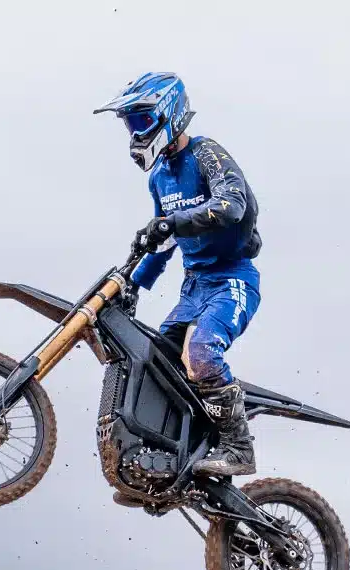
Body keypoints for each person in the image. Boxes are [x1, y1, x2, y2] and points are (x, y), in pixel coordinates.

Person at [93, 71, 263, 483]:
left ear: (168, 114)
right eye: (130, 124)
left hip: (231, 281)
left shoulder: (207, 154)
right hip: (194, 288)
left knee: (201, 354)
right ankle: (173, 451)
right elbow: (163, 241)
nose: (135, 133)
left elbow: (233, 205)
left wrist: (174, 222)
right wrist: (133, 284)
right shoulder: (160, 177)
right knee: (157, 361)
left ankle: (238, 447)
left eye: (140, 121)